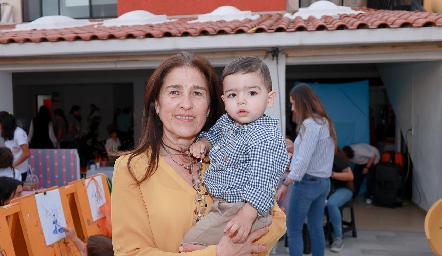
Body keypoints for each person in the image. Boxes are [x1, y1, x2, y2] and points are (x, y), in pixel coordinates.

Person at [111, 52, 286, 256]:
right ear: (157, 104)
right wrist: (217, 253)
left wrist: (242, 244)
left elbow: (276, 219)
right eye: (174, 92)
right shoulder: (132, 168)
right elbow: (130, 252)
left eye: (197, 93)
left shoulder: (229, 153)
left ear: (210, 108)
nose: (186, 104)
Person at [183, 56, 289, 246]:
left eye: (252, 93)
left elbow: (262, 182)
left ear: (270, 98)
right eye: (233, 95)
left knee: (191, 243)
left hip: (244, 208)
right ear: (224, 100)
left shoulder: (265, 136)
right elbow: (213, 135)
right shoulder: (226, 122)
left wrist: (246, 217)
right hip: (224, 205)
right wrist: (203, 144)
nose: (241, 101)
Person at [275, 83, 337, 256]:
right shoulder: (325, 122)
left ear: (302, 102)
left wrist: (286, 183)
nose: (293, 108)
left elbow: (303, 161)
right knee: (316, 227)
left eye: (294, 103)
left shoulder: (309, 125)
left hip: (307, 183)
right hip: (323, 183)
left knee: (294, 229)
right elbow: (314, 154)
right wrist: (294, 146)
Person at [327, 148, 354, 253]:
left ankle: (339, 238)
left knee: (332, 204)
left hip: (343, 189)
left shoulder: (335, 158)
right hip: (328, 190)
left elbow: (350, 176)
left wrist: (331, 174)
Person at [0, 112, 30, 182]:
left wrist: (13, 166)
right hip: (11, 168)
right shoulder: (6, 133)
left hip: (20, 170)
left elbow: (26, 154)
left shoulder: (18, 134)